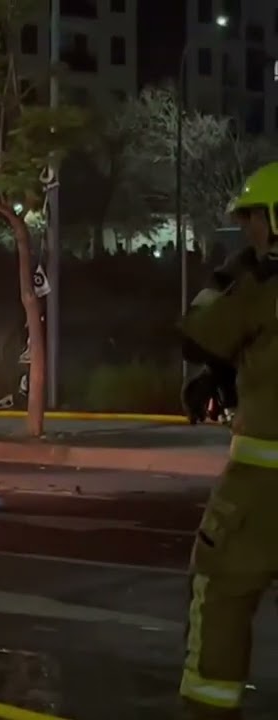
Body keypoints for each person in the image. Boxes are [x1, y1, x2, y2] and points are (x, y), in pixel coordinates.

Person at [178, 161, 278, 718]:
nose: (247, 232)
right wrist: (224, 379)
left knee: (220, 600)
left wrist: (230, 274)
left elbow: (197, 332)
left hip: (260, 492)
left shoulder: (261, 288)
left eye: (254, 221)